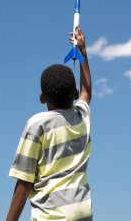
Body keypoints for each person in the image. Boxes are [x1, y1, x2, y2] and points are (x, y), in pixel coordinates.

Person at [6, 25, 93, 221]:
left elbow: (24, 179)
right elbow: (87, 93)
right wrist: (83, 53)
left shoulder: (37, 125)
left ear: (41, 97)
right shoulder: (82, 117)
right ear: (75, 94)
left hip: (51, 216)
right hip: (83, 215)